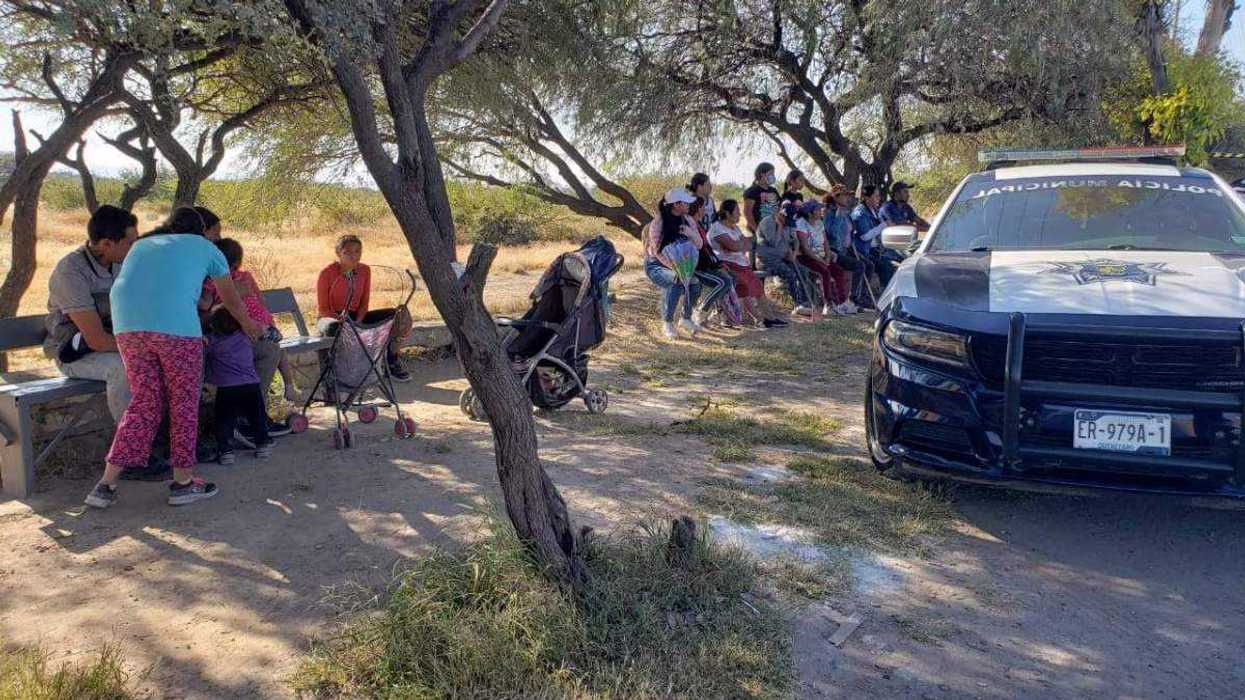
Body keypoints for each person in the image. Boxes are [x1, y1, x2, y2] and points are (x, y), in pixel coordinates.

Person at [84, 206, 263, 510]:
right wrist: (250, 325)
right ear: (203, 231)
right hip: (177, 332)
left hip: (129, 330)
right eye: (213, 233)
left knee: (143, 402)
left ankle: (105, 485)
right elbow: (231, 298)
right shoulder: (207, 249)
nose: (216, 238)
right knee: (183, 404)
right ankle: (182, 483)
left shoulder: (142, 245)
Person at [43, 206, 173, 479]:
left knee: (171, 361)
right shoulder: (70, 272)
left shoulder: (120, 262)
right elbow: (97, 339)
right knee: (123, 369)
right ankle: (131, 457)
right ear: (106, 244)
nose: (134, 247)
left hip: (118, 339)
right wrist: (145, 347)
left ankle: (163, 443)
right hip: (76, 353)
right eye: (129, 242)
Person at [201, 238, 300, 433]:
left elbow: (207, 305)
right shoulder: (237, 278)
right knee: (273, 350)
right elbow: (260, 301)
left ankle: (253, 414)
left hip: (240, 331)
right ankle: (256, 412)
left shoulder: (214, 282)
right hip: (246, 330)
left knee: (272, 350)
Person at [315, 234, 413, 382]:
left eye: (357, 251)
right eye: (347, 252)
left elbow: (364, 303)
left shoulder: (364, 270)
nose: (353, 256)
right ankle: (339, 375)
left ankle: (391, 361)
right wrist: (341, 319)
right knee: (334, 327)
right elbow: (323, 309)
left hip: (355, 316)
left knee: (399, 315)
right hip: (332, 318)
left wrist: (358, 322)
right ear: (338, 254)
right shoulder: (327, 273)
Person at [204, 307, 273, 465]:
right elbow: (261, 329)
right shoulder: (245, 336)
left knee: (224, 420)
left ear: (214, 325)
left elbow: (202, 348)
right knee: (257, 417)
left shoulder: (212, 342)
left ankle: (226, 451)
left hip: (227, 388)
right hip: (251, 385)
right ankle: (262, 445)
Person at [708, 199, 788, 328]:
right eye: (737, 212)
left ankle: (766, 318)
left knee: (755, 288)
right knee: (747, 287)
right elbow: (734, 246)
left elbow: (748, 244)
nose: (740, 215)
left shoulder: (734, 228)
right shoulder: (717, 228)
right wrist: (740, 245)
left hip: (740, 264)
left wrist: (740, 245)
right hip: (726, 265)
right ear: (727, 214)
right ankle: (759, 319)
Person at [645, 188, 703, 339]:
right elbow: (657, 252)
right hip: (657, 265)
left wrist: (689, 233)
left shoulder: (688, 220)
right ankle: (668, 323)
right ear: (676, 204)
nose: (689, 205)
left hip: (682, 266)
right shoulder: (658, 223)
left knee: (696, 285)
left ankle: (685, 318)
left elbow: (699, 244)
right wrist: (677, 269)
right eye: (685, 202)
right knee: (676, 281)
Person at [794, 201, 854, 316]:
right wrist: (821, 260)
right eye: (817, 210)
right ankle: (828, 304)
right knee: (824, 271)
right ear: (810, 213)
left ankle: (842, 303)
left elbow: (825, 242)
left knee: (838, 271)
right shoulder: (801, 224)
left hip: (821, 256)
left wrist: (827, 257)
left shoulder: (819, 222)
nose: (820, 211)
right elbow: (805, 248)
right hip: (806, 257)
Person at [756, 201, 815, 316]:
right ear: (781, 214)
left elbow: (795, 240)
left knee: (803, 270)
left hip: (784, 257)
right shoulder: (767, 222)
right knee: (790, 273)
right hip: (767, 260)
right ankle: (797, 305)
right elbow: (773, 242)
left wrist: (794, 253)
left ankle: (804, 302)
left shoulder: (789, 223)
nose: (788, 224)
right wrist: (779, 226)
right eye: (786, 220)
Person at [686, 196, 734, 326]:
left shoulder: (698, 224)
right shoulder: (689, 225)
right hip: (697, 267)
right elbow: (699, 251)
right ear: (698, 208)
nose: (705, 210)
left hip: (706, 264)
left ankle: (719, 313)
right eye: (703, 207)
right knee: (724, 282)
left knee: (731, 277)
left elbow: (707, 249)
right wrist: (715, 265)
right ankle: (701, 310)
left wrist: (719, 264)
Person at [823, 185, 865, 311]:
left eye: (848, 195)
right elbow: (831, 233)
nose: (848, 198)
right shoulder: (828, 212)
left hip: (845, 249)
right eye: (845, 195)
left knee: (865, 264)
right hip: (832, 250)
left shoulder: (846, 212)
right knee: (859, 266)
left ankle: (854, 299)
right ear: (837, 197)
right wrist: (838, 215)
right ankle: (850, 300)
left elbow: (850, 230)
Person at [851, 184, 897, 289]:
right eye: (876, 196)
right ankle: (886, 295)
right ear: (867, 198)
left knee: (899, 259)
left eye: (879, 196)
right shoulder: (859, 213)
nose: (879, 199)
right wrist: (884, 225)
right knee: (886, 265)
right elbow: (865, 236)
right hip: (864, 252)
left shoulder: (874, 211)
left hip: (877, 250)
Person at [742, 162, 781, 238]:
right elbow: (747, 212)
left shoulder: (774, 190)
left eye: (773, 174)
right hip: (756, 232)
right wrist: (757, 230)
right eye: (771, 174)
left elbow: (778, 209)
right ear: (762, 174)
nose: (773, 177)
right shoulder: (752, 191)